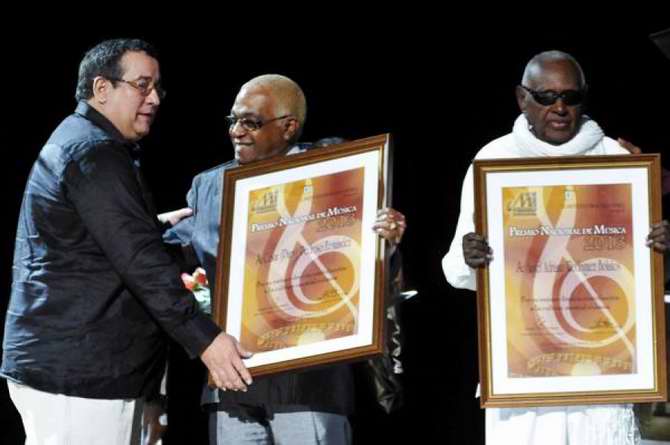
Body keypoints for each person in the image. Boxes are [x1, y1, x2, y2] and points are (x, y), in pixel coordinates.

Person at [2, 38, 252, 444]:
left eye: (157, 87)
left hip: (80, 365)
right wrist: (205, 340)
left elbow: (92, 238)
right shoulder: (93, 153)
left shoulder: (80, 140)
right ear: (103, 89)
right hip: (81, 373)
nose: (153, 98)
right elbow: (138, 260)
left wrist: (148, 225)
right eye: (141, 85)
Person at [164, 74, 406, 444]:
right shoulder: (210, 186)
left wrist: (385, 244)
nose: (237, 132)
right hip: (234, 383)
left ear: (289, 127)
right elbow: (160, 260)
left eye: (251, 122)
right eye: (233, 120)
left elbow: (360, 271)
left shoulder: (333, 176)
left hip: (310, 383)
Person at [442, 50, 669, 445]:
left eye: (571, 96)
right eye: (546, 97)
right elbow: (456, 270)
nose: (560, 107)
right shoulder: (494, 160)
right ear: (521, 99)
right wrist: (470, 256)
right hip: (521, 374)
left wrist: (659, 249)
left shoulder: (616, 160)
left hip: (603, 374)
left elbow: (644, 278)